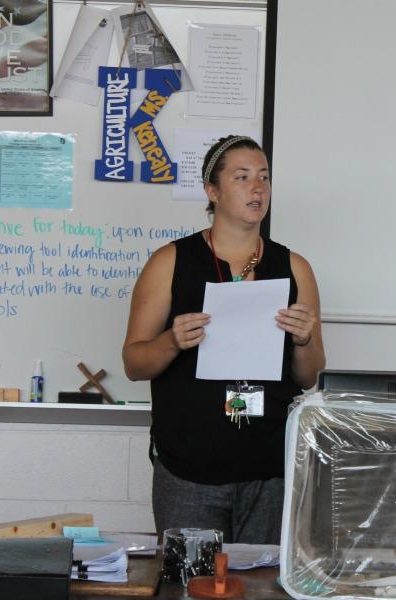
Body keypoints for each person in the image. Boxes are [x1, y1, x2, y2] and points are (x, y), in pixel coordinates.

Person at [122, 136, 325, 544]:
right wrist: (172, 341)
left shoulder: (294, 267)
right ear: (212, 191)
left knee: (261, 586)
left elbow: (309, 376)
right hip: (188, 464)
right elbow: (133, 362)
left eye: (265, 178)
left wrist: (304, 340)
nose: (258, 189)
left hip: (268, 464)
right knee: (189, 584)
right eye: (243, 177)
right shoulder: (171, 261)